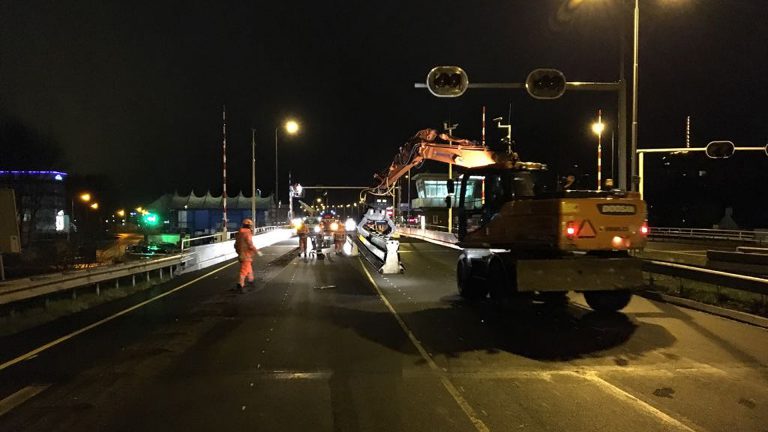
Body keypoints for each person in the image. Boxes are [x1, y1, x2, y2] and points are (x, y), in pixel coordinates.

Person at [234, 218, 261, 293]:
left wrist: (239, 252)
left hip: (241, 254)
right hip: (246, 254)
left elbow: (235, 245)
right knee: (244, 270)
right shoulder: (247, 233)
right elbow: (250, 244)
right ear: (249, 226)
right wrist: (256, 251)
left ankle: (251, 281)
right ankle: (240, 284)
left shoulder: (239, 233)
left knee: (248, 268)